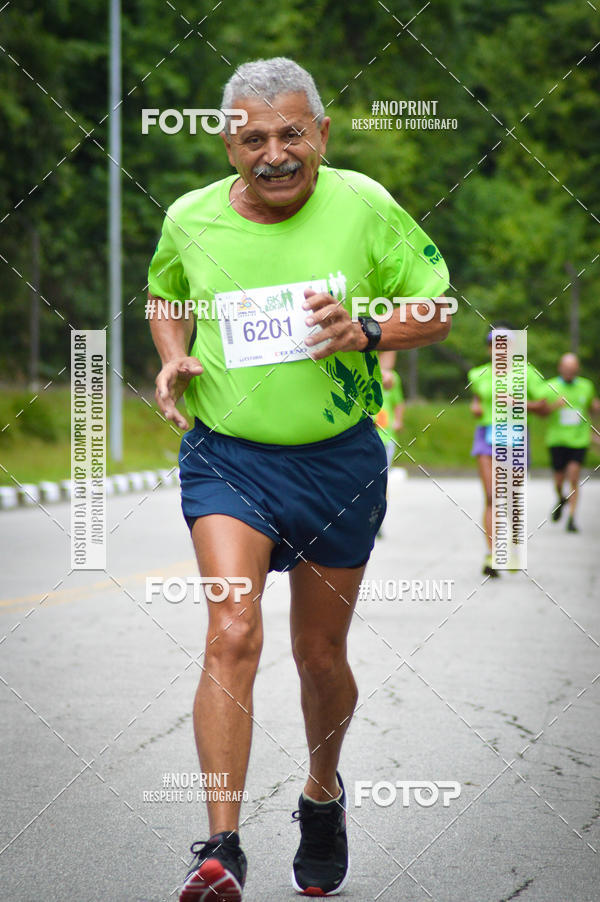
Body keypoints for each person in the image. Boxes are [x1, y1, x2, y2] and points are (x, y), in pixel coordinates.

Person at [147, 57, 450, 901]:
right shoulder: (190, 217)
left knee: (319, 656)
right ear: (226, 142)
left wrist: (369, 329)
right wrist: (174, 359)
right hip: (228, 455)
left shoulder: (363, 204)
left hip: (338, 462)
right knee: (231, 630)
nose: (273, 153)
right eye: (252, 138)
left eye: (290, 134)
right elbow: (163, 294)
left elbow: (439, 306)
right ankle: (219, 848)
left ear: (320, 132)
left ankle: (322, 796)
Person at [468, 324, 546, 577]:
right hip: (487, 437)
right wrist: (476, 406)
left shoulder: (528, 373)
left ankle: (513, 542)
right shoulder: (477, 373)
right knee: (491, 495)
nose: (498, 349)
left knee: (511, 497)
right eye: (493, 344)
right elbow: (478, 399)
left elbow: (544, 406)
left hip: (516, 436)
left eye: (504, 344)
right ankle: (492, 555)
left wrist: (519, 403)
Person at [542, 353, 599, 532]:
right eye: (566, 369)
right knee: (559, 481)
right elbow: (541, 412)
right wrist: (553, 407)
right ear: (560, 368)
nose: (569, 372)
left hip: (578, 439)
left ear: (578, 370)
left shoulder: (586, 386)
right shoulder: (549, 386)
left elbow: (593, 408)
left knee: (574, 477)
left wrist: (595, 431)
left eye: (573, 370)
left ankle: (572, 519)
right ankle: (561, 498)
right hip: (557, 439)